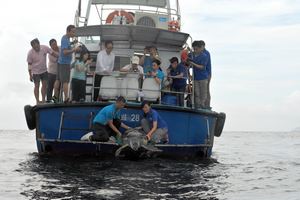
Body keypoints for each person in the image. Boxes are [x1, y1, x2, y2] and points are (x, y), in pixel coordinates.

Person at [27, 38, 58, 104]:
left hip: (44, 71)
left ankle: (43, 100)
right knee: (37, 86)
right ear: (32, 47)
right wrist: (30, 75)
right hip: (35, 72)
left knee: (44, 86)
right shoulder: (30, 53)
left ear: (39, 44)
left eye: (37, 46)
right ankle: (37, 101)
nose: (36, 48)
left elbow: (52, 53)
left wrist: (60, 57)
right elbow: (29, 65)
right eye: (34, 47)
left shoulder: (44, 48)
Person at [55, 25, 80, 103]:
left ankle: (55, 96)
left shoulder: (66, 38)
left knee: (58, 79)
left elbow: (66, 46)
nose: (74, 33)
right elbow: (65, 52)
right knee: (66, 81)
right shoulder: (65, 39)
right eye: (73, 32)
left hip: (60, 62)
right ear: (68, 31)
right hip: (64, 63)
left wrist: (72, 43)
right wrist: (74, 49)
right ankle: (66, 98)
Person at [188, 40, 209, 109]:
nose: (195, 50)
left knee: (203, 93)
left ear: (201, 48)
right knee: (196, 92)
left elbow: (202, 67)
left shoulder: (204, 56)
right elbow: (188, 62)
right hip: (195, 77)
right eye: (194, 49)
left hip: (203, 77)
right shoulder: (192, 54)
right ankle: (197, 105)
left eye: (196, 49)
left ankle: (202, 105)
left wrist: (193, 64)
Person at [200, 40, 212, 108]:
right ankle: (203, 103)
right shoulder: (201, 52)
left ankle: (207, 105)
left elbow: (203, 63)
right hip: (203, 74)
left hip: (207, 74)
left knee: (206, 90)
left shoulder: (206, 53)